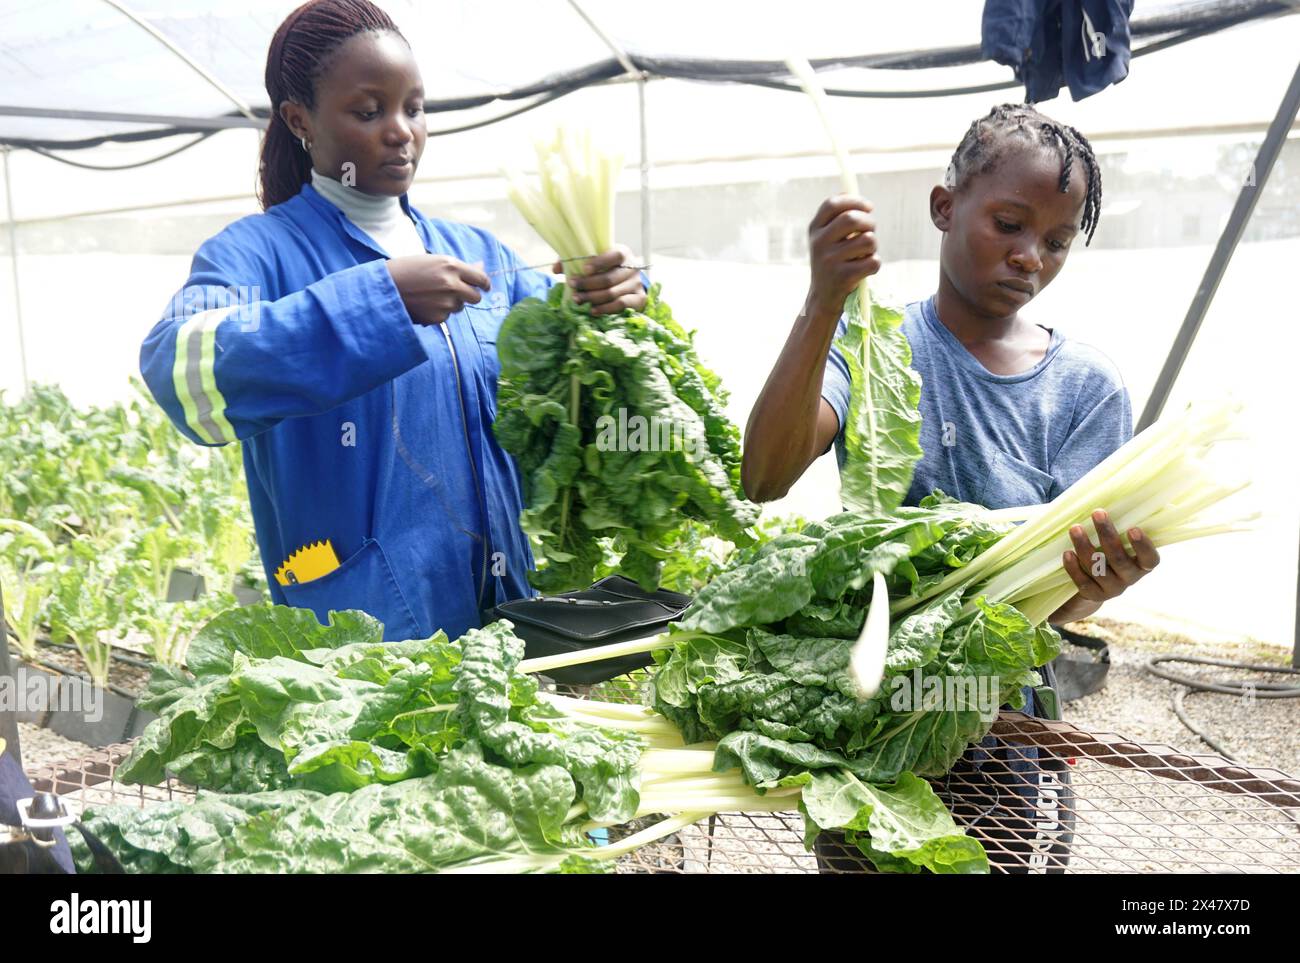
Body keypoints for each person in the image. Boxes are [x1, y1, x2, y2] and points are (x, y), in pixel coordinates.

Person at [140, 0, 645, 642]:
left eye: (414, 106)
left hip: (511, 622)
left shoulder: (478, 251)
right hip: (365, 643)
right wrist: (379, 302)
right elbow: (181, 373)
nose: (401, 129)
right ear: (301, 120)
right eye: (368, 110)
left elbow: (563, 367)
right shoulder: (255, 253)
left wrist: (609, 292)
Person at [742, 104, 1162, 872]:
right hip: (868, 711)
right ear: (944, 207)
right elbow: (766, 474)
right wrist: (823, 303)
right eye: (1009, 223)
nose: (1030, 256)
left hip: (1003, 725)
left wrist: (1100, 586)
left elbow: (1064, 601)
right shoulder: (872, 342)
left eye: (1057, 242)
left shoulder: (1085, 387)